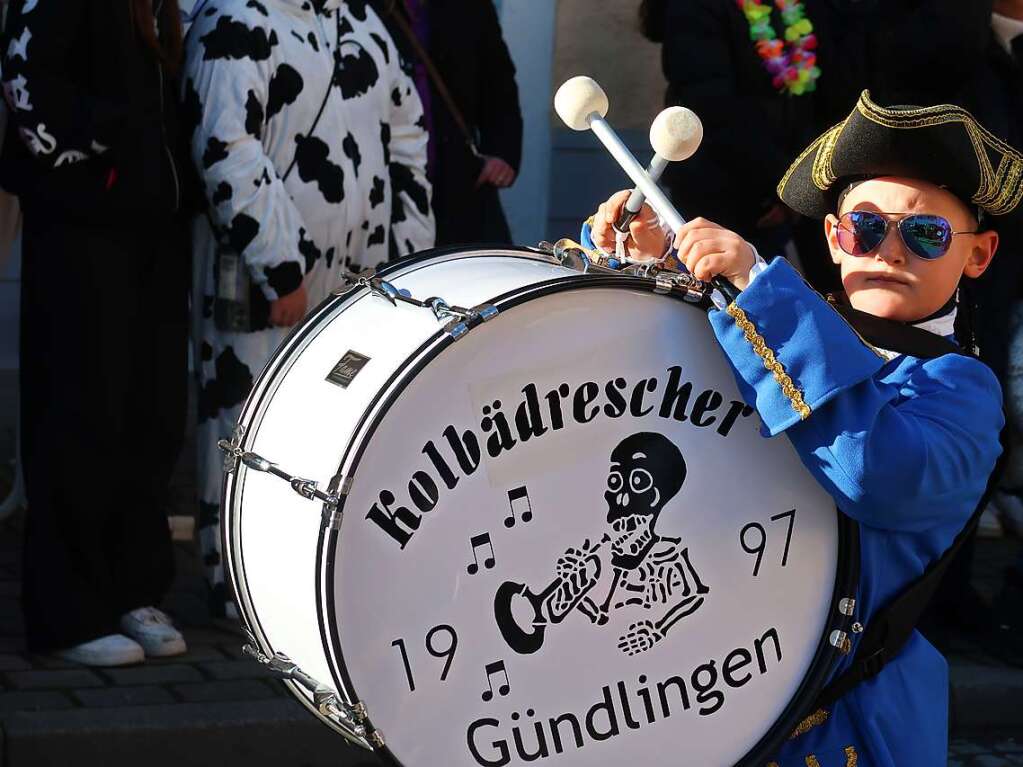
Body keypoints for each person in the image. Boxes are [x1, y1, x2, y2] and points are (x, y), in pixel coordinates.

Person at [584, 91, 1017, 765]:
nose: (888, 250)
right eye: (864, 228)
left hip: (843, 723)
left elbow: (875, 472)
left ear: (978, 255)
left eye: (925, 233)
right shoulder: (779, 324)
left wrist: (757, 285)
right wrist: (644, 257)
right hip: (705, 694)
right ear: (831, 237)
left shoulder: (960, 387)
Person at [181, 0, 434, 617]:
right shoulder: (233, 23)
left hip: (359, 287)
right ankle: (239, 581)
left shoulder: (363, 23)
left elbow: (407, 139)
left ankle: (317, 575)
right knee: (247, 424)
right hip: (262, 280)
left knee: (336, 425)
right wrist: (281, 266)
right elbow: (224, 147)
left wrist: (408, 262)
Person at [0, 0, 191, 665]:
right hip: (84, 227)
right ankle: (68, 611)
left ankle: (133, 588)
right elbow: (26, 82)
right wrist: (112, 145)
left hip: (153, 229)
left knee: (149, 413)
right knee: (80, 411)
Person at [373, 0, 522, 245]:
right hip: (381, 189)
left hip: (456, 183)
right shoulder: (354, 8)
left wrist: (502, 152)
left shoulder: (469, 6)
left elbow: (498, 82)